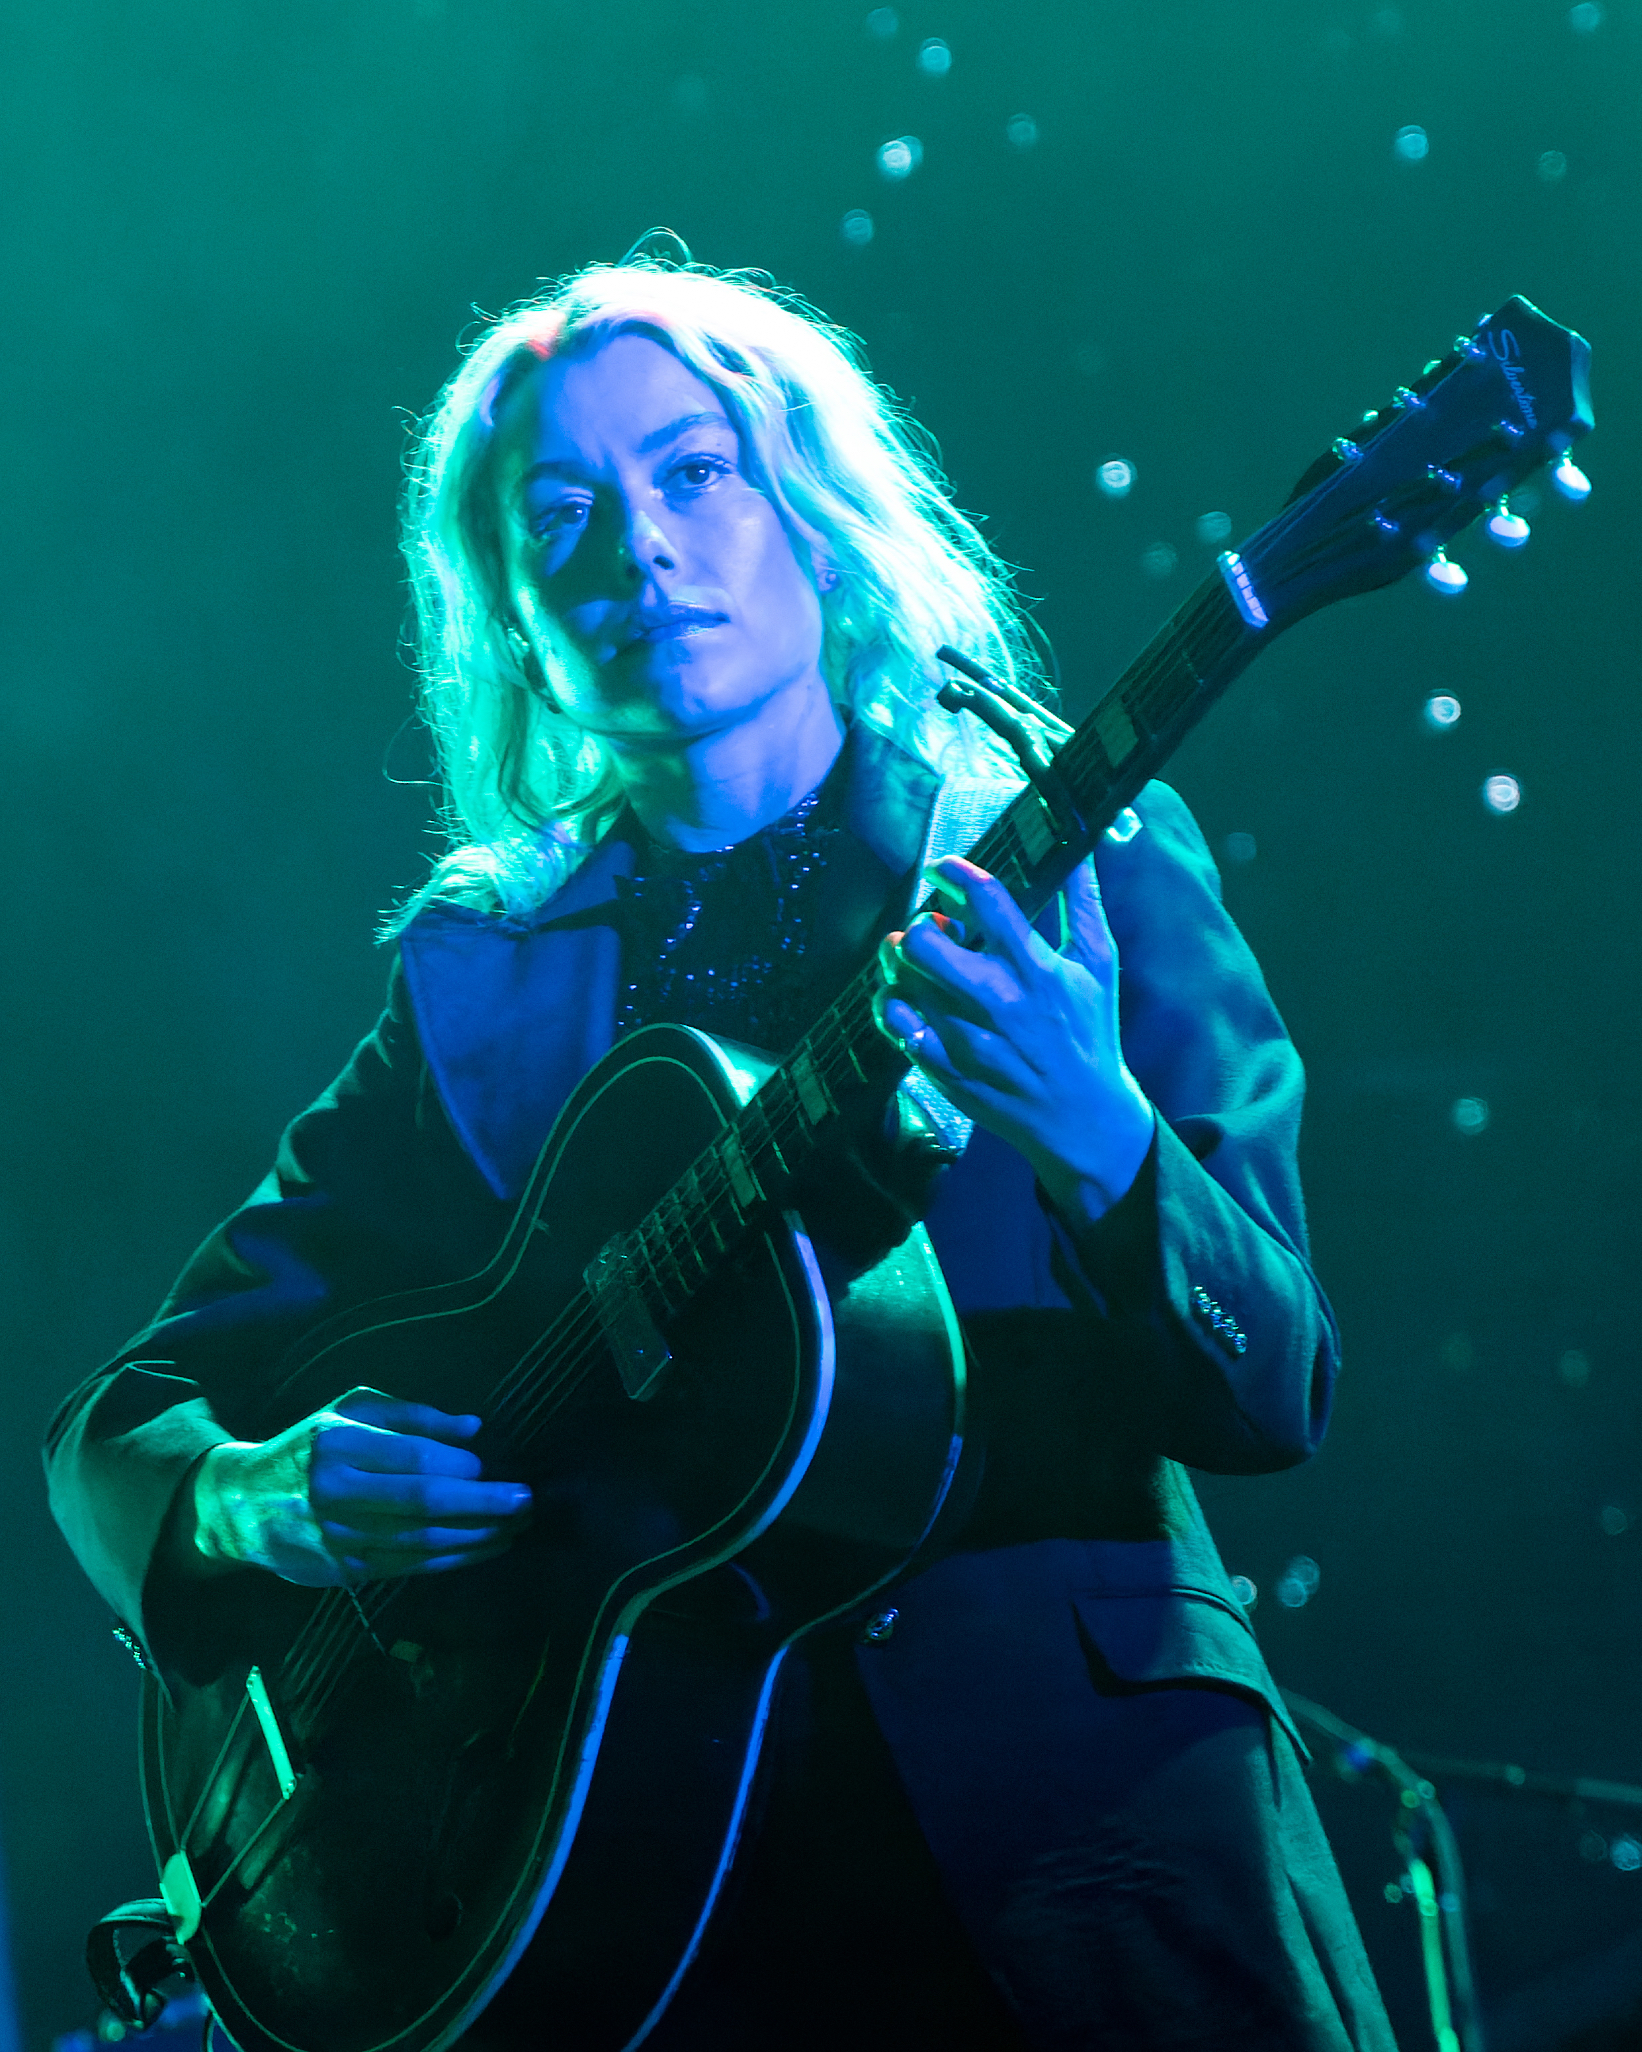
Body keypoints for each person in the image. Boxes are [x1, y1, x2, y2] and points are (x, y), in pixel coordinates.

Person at [47, 252, 1395, 2050]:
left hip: (1106, 1865)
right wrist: (252, 1493)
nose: (643, 548)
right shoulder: (487, 988)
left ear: (809, 518)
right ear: (513, 618)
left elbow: (1278, 1387)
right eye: (564, 515)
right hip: (665, 1914)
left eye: (694, 473)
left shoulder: (1068, 856)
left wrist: (1092, 1125)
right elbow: (120, 1425)